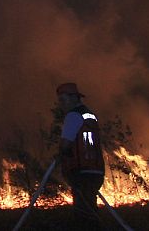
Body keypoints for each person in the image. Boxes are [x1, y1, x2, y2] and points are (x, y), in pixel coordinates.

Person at [57, 82, 105, 230]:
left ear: (73, 98)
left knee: (83, 214)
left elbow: (66, 143)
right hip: (95, 169)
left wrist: (60, 155)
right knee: (89, 209)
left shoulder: (73, 116)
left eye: (63, 100)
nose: (61, 104)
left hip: (81, 171)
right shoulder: (89, 115)